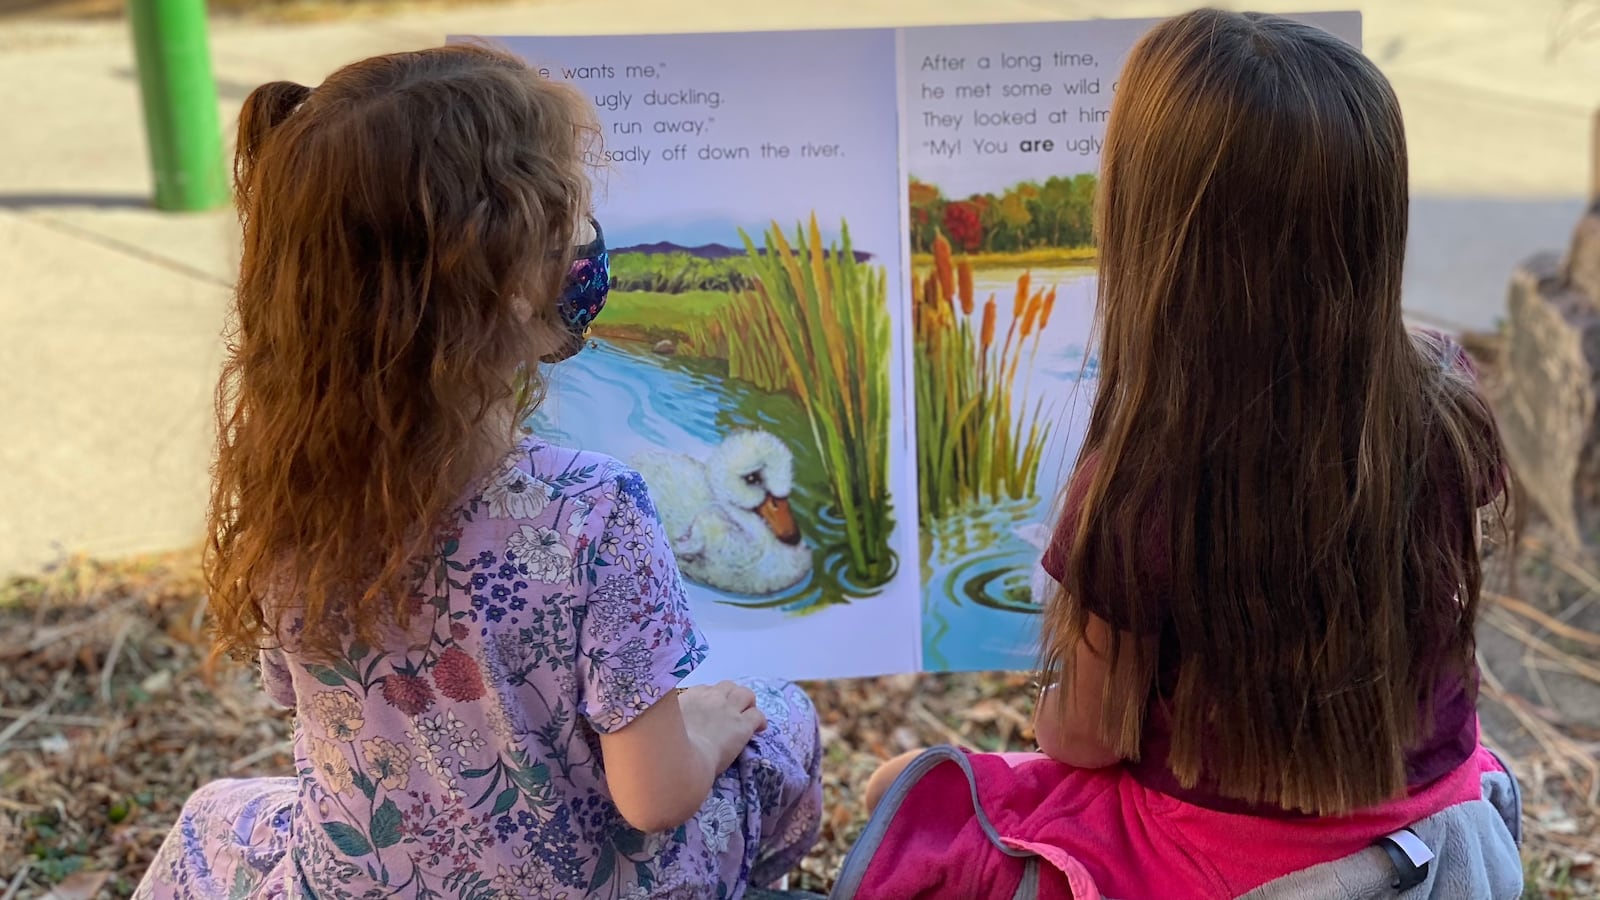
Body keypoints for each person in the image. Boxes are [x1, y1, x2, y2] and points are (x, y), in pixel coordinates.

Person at [136, 44, 821, 900]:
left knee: (218, 815)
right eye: (570, 223)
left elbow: (307, 703)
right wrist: (711, 733)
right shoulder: (593, 507)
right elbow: (654, 797)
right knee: (780, 717)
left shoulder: (291, 489)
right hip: (589, 886)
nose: (587, 245)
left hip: (362, 882)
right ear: (507, 287)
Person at [862, 9, 1512, 898]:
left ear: (1153, 235)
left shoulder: (1141, 486)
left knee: (903, 798)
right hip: (1439, 836)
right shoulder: (1443, 400)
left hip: (1220, 866)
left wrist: (1049, 700)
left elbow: (1086, 738)